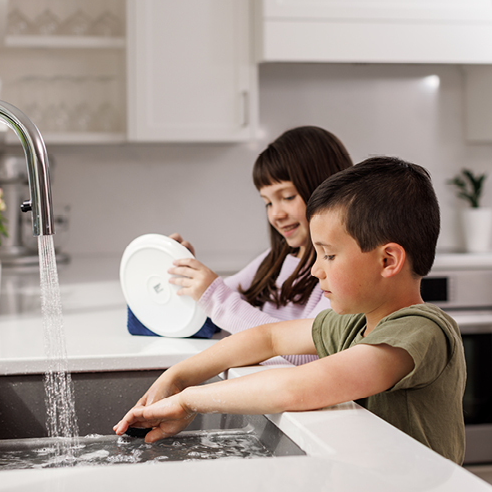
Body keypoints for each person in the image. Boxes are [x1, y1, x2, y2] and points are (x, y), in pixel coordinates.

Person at [114, 156, 467, 464]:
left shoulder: (421, 331)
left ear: (388, 260)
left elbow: (297, 388)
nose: (316, 269)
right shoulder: (351, 323)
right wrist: (177, 376)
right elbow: (268, 338)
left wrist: (189, 401)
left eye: (328, 255)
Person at [166, 126, 353, 365]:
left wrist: (213, 295)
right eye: (267, 203)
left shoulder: (342, 268)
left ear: (327, 190)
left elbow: (312, 352)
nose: (275, 214)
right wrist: (182, 271)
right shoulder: (277, 258)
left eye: (287, 197)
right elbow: (210, 309)